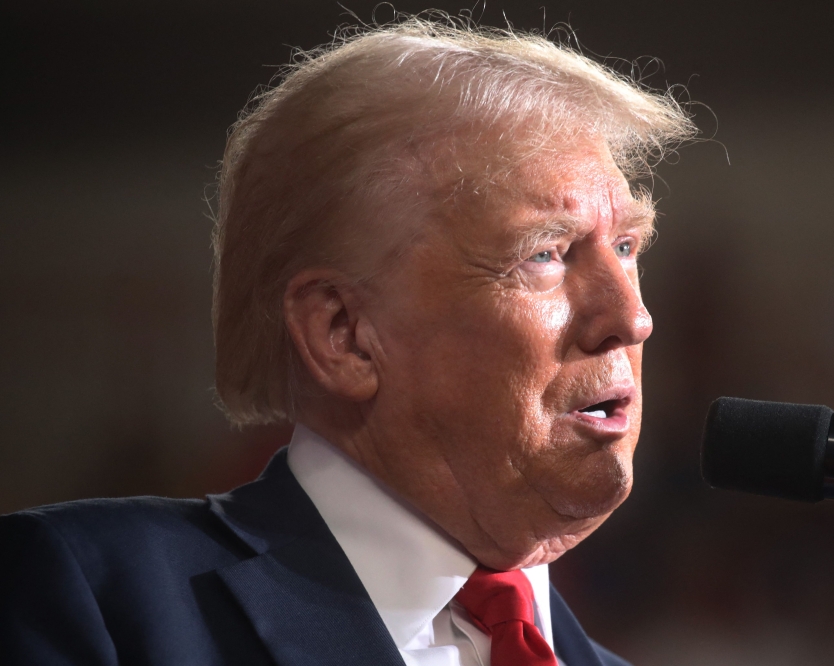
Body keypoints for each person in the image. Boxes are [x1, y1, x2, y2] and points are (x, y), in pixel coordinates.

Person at [0, 16, 694, 666]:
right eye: (546, 253)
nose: (632, 318)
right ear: (344, 335)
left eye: (627, 245)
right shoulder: (96, 601)